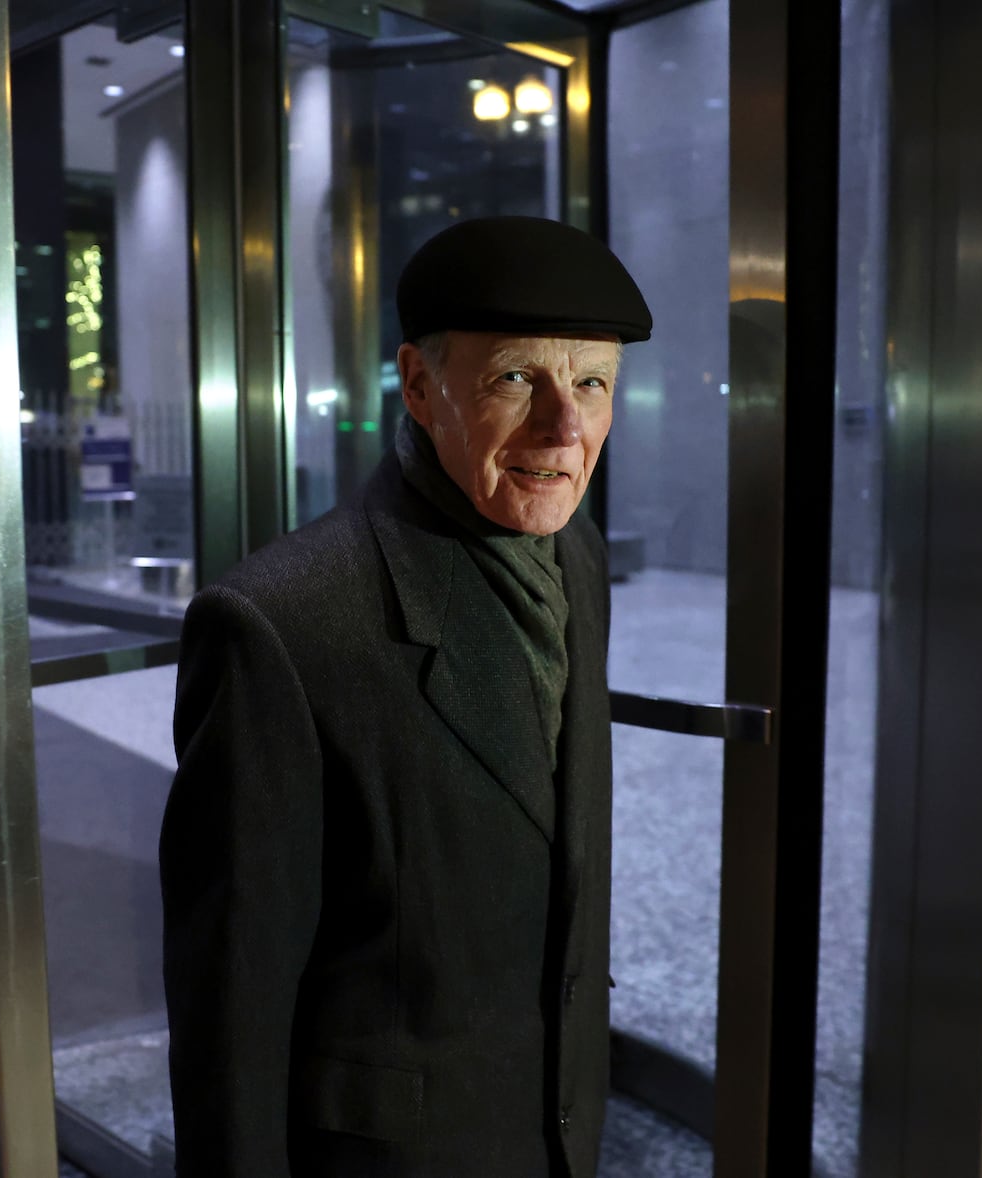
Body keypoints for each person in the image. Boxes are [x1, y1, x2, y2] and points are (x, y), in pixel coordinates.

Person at [159, 216, 653, 1177]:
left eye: (591, 383)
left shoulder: (575, 557)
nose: (565, 426)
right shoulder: (280, 622)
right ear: (422, 387)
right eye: (517, 378)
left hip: (556, 1130)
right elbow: (231, 1003)